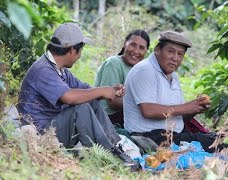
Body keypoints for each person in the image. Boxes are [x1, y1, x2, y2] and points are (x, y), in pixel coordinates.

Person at [17, 22, 139, 170]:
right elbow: (69, 97)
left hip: (54, 127)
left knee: (91, 102)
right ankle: (107, 157)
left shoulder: (59, 70)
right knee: (80, 108)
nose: (80, 56)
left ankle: (115, 148)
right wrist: (103, 91)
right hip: (41, 134)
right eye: (81, 50)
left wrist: (109, 90)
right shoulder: (43, 70)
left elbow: (86, 90)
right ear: (73, 50)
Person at [123, 31, 220, 153]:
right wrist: (186, 107)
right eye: (170, 52)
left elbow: (179, 115)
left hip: (171, 135)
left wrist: (195, 108)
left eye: (180, 54)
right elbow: (148, 110)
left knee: (218, 139)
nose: (175, 58)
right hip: (149, 137)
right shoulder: (145, 70)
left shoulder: (173, 76)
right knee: (218, 145)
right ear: (158, 49)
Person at [94, 30, 150, 128]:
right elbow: (113, 102)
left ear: (146, 51)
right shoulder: (114, 63)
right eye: (133, 45)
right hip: (107, 117)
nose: (136, 51)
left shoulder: (141, 70)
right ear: (125, 43)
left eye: (141, 48)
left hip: (126, 115)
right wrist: (143, 106)